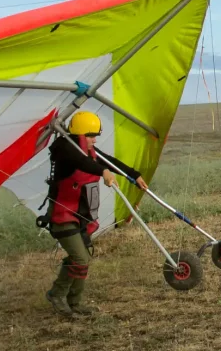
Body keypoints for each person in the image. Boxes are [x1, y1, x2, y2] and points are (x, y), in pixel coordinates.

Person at [38, 110, 148, 317]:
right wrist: (101, 171)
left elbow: (108, 161)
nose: (94, 140)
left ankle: (74, 302)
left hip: (80, 217)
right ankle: (57, 294)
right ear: (79, 135)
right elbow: (82, 163)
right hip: (62, 217)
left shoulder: (87, 151)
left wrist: (134, 175)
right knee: (81, 259)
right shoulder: (64, 150)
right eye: (90, 135)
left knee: (82, 257)